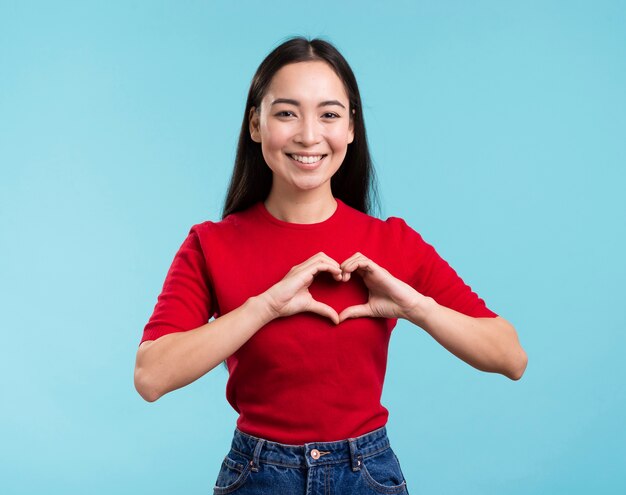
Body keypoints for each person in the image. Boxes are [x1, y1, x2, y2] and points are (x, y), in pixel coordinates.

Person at [134, 36, 528, 495]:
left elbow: (510, 357)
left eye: (329, 114)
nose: (308, 135)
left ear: (351, 128)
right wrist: (265, 306)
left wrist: (415, 307)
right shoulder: (210, 244)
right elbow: (151, 376)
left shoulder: (391, 242)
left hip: (367, 475)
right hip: (257, 476)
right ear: (256, 125)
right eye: (286, 113)